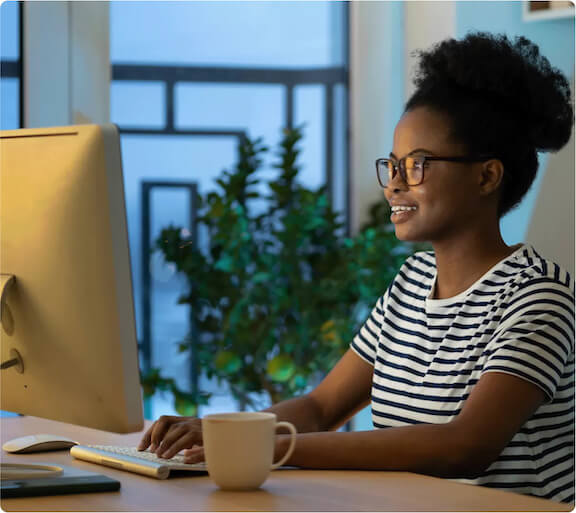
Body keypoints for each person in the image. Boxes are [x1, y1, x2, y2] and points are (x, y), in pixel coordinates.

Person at [138, 32, 574, 503]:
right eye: (392, 165)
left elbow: (463, 447)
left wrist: (273, 446)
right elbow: (321, 406)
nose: (394, 186)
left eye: (418, 165)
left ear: (487, 176)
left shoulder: (539, 297)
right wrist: (221, 430)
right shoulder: (411, 284)